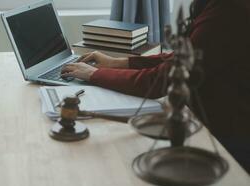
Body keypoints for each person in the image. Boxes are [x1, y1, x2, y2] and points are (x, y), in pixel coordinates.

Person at [61, 0, 250, 172]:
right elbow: (180, 57)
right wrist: (117, 63)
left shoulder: (229, 10)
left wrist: (94, 74)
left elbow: (158, 81)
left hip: (230, 139)